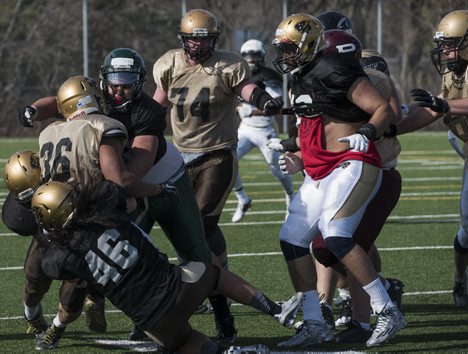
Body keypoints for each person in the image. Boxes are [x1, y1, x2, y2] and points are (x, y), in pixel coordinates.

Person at [18, 47, 235, 344]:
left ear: (140, 82)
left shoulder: (147, 112)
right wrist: (32, 110)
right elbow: (57, 104)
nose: (119, 90)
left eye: (127, 82)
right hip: (126, 188)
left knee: (196, 252)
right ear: (103, 81)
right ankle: (123, 312)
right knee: (122, 257)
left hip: (164, 183)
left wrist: (110, 189)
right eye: (114, 82)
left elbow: (134, 169)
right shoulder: (94, 101)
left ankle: (225, 319)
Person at [29, 180, 302, 354]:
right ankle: (277, 311)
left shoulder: (60, 257)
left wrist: (53, 235)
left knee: (183, 343)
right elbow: (110, 188)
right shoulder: (105, 207)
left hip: (153, 321)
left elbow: (52, 263)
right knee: (214, 274)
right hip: (180, 288)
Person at [269, 13, 405, 348]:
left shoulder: (336, 68)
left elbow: (383, 109)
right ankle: (315, 320)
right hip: (322, 170)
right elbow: (318, 130)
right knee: (291, 239)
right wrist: (294, 151)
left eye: (289, 48)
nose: (284, 55)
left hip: (353, 162)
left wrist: (367, 132)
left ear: (310, 44)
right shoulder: (301, 77)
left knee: (336, 233)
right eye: (282, 48)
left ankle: (386, 309)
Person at [151, 9, 282, 343]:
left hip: (217, 155)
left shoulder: (228, 64)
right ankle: (220, 300)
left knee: (195, 226)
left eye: (206, 37)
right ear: (183, 38)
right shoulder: (169, 64)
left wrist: (264, 99)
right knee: (202, 232)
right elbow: (157, 108)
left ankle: (215, 307)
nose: (200, 43)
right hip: (180, 158)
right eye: (195, 37)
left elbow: (247, 88)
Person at [31, 75, 179, 350]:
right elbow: (119, 180)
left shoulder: (49, 132)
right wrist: (158, 189)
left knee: (66, 274)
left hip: (54, 214)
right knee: (135, 268)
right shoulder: (102, 125)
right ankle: (158, 326)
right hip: (90, 212)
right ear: (89, 100)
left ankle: (54, 325)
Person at [396, 10, 468, 309]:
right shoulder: (455, 69)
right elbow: (436, 108)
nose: (444, 50)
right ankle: (461, 275)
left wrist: (444, 103)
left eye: (450, 43)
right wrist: (393, 130)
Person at [2, 150, 89, 348]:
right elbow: (24, 220)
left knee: (72, 297)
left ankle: (56, 330)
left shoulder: (67, 184)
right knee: (33, 281)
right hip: (46, 240)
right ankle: (32, 319)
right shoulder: (22, 207)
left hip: (75, 242)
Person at [231, 39, 294, 223]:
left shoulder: (268, 76)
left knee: (278, 170)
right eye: (247, 56)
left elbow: (276, 105)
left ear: (262, 57)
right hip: (245, 129)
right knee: (228, 160)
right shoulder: (238, 74)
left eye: (255, 55)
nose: (250, 59)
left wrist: (252, 110)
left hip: (264, 130)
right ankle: (243, 199)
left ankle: (290, 197)